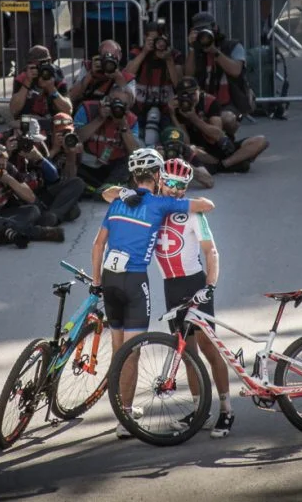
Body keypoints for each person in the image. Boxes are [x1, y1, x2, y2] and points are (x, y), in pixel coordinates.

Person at [90, 148, 215, 438]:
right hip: (134, 282)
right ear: (158, 175)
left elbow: (97, 244)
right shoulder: (160, 204)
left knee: (117, 350)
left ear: (133, 176)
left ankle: (122, 413)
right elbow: (206, 205)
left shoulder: (117, 203)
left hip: (109, 280)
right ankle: (124, 422)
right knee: (131, 354)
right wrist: (180, 197)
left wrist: (96, 280)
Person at [153, 159, 234, 436]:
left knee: (209, 349)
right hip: (170, 287)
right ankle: (200, 410)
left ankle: (226, 410)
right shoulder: (151, 208)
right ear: (159, 180)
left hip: (194, 283)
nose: (175, 190)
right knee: (186, 353)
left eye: (181, 185)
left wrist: (210, 285)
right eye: (170, 182)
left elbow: (211, 251)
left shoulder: (192, 212)